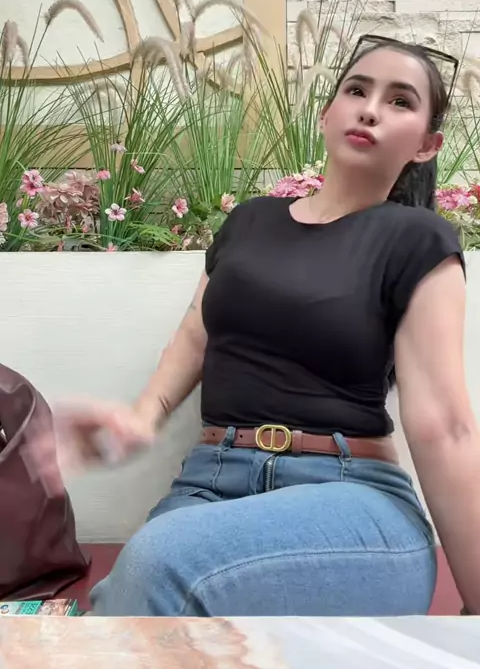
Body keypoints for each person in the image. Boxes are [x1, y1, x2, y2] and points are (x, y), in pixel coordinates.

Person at [32, 35, 480, 617]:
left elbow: (444, 428)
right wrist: (138, 420)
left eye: (400, 101)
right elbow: (196, 335)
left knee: (156, 566)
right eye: (356, 90)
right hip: (208, 485)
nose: (370, 109)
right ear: (326, 114)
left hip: (350, 495)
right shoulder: (249, 221)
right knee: (132, 603)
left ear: (426, 144)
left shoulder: (420, 240)